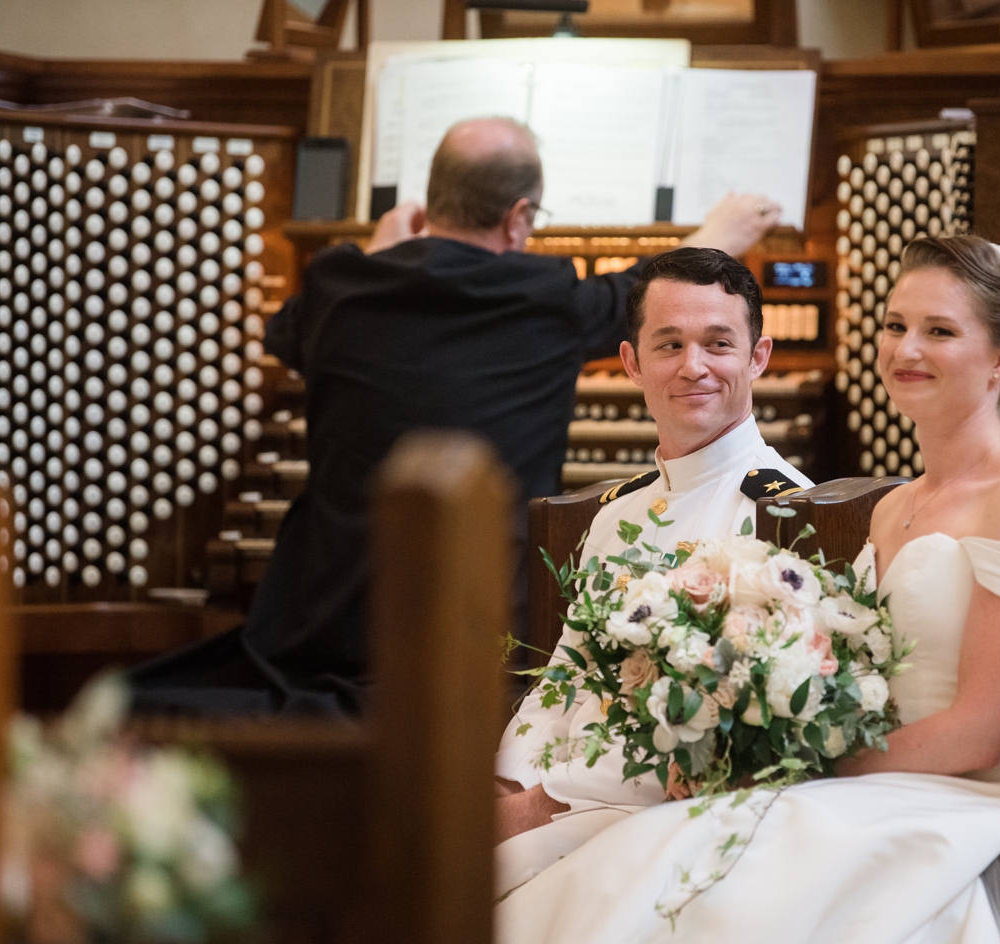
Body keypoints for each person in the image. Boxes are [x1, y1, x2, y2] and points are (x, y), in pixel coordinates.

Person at [494, 236, 1000, 944]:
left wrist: (803, 765)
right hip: (863, 770)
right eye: (895, 326)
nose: (907, 349)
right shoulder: (894, 505)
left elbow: (982, 729)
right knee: (640, 883)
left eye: (940, 330)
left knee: (694, 890)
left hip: (961, 787)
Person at [130, 117, 781, 717]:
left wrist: (374, 253)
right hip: (485, 637)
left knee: (142, 695)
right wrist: (714, 238)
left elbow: (284, 333)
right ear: (520, 215)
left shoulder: (338, 286)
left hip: (325, 629)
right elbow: (635, 299)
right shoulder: (545, 296)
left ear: (427, 203)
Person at [494, 245, 812, 894]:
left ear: (759, 357)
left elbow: (735, 733)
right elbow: (563, 676)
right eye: (669, 345)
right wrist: (510, 778)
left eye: (718, 343)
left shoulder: (780, 515)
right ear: (632, 363)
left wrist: (539, 800)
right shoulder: (615, 513)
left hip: (667, 813)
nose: (693, 367)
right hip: (561, 798)